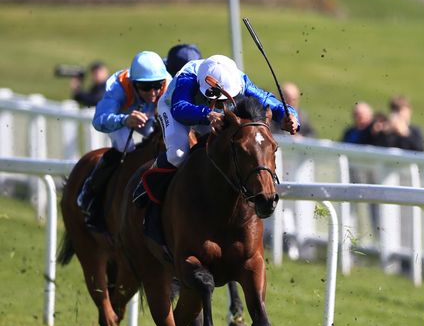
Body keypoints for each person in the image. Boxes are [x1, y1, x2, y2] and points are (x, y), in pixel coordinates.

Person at [136, 54, 299, 242]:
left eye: (225, 100)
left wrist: (291, 117)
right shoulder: (188, 78)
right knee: (177, 154)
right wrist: (207, 114)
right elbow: (180, 108)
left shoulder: (240, 80)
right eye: (218, 100)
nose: (222, 105)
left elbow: (272, 102)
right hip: (175, 109)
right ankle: (149, 185)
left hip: (211, 114)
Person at [76, 51, 171, 228]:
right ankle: (90, 192)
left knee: (160, 140)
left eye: (157, 85)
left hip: (147, 116)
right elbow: (99, 120)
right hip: (121, 118)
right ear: (134, 84)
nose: (153, 92)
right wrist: (125, 120)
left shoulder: (168, 83)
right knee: (123, 146)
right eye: (146, 87)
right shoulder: (118, 87)